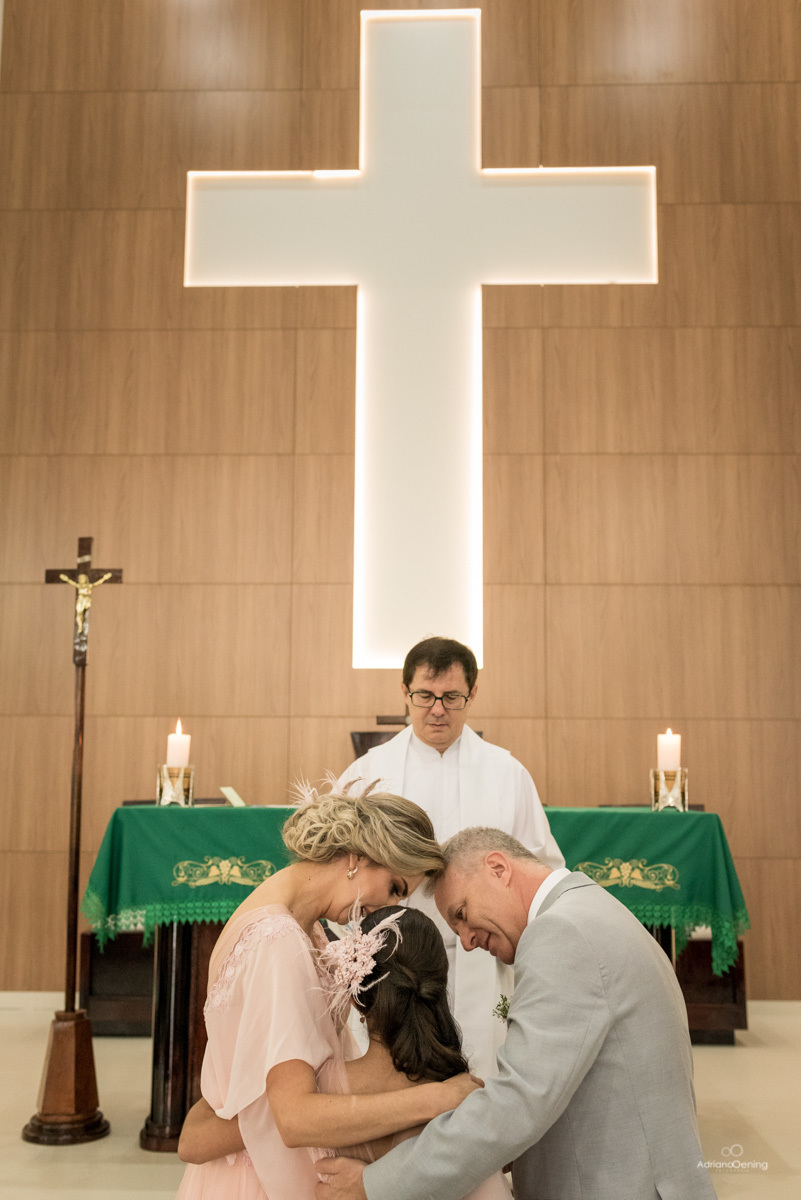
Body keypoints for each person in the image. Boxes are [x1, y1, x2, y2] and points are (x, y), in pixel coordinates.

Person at [317, 827, 718, 1200]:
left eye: (461, 914)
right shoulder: (591, 907)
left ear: (497, 868)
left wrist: (374, 1185)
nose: (469, 942)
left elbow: (520, 1101)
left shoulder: (563, 933)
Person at [174, 785, 480, 1200]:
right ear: (358, 857)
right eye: (394, 887)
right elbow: (295, 1118)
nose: (388, 909)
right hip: (263, 1176)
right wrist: (439, 1097)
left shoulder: (298, 926)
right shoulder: (278, 941)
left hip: (253, 1158)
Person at [337, 636, 564, 1077]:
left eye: (452, 697)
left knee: (481, 1074)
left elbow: (542, 869)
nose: (437, 709)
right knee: (400, 1077)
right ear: (405, 692)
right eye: (424, 696)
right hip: (395, 960)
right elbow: (337, 871)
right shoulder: (368, 774)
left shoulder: (506, 774)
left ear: (472, 695)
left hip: (482, 955)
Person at [180, 905, 510, 1200]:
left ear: (356, 996)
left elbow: (192, 1141)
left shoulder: (307, 1098)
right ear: (438, 985)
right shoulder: (464, 1095)